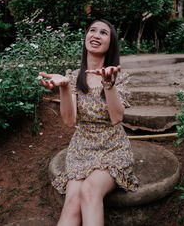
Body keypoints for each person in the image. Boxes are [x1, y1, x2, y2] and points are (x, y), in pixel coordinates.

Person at [39, 19, 138, 226]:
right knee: (72, 201)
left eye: (103, 33)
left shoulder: (119, 77)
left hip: (113, 148)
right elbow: (69, 121)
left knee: (90, 190)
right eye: (92, 30)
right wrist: (65, 88)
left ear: (110, 43)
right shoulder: (73, 77)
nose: (95, 35)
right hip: (82, 149)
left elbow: (117, 118)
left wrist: (108, 83)